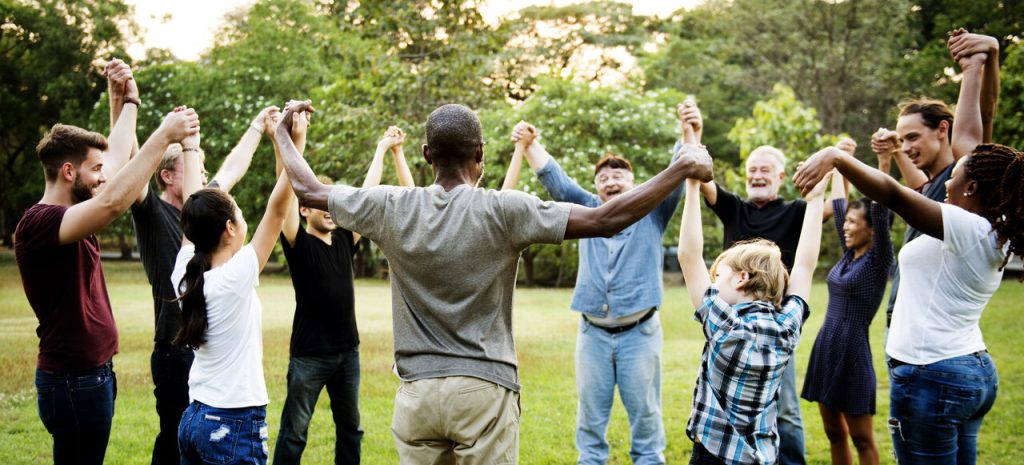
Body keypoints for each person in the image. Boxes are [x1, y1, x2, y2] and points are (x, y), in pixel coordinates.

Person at [273, 101, 713, 464]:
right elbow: (605, 219)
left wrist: (281, 136)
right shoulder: (506, 210)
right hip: (484, 391)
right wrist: (681, 167)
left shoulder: (391, 206)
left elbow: (309, 190)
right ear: (480, 154)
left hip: (417, 395)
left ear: (426, 154)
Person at [794, 138, 1022, 464]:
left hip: (934, 374)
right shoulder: (990, 232)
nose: (946, 184)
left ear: (971, 187)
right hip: (965, 368)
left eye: (953, 176)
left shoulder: (970, 227)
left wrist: (836, 158)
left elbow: (893, 194)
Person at [14, 66, 199, 464]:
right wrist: (164, 135)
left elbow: (115, 162)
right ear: (68, 172)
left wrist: (126, 100)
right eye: (94, 171)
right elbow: (114, 200)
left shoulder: (74, 207)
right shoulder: (40, 222)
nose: (103, 177)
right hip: (72, 381)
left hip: (91, 375)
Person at [103, 59, 281, 465]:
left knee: (191, 440)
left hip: (205, 349)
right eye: (194, 169)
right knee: (172, 441)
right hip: (174, 348)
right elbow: (129, 165)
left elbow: (233, 168)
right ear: (168, 177)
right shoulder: (151, 211)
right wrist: (122, 103)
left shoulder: (199, 218)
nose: (203, 174)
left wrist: (255, 128)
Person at [502, 105, 693, 464]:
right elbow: (554, 178)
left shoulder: (654, 211)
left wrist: (687, 131)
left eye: (619, 174)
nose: (611, 179)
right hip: (593, 336)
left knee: (647, 423)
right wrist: (528, 143)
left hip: (640, 334)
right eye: (603, 176)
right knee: (590, 425)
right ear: (596, 186)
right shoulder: (586, 208)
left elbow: (676, 172)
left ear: (635, 184)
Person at [675, 101, 844, 465]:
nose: (713, 279)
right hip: (761, 456)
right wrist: (815, 199)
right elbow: (805, 264)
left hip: (713, 455)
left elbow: (689, 256)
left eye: (718, 274)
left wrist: (690, 187)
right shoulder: (787, 327)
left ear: (741, 278)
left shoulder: (723, 325)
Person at [272, 120, 414, 464]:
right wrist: (289, 143)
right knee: (294, 431)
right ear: (305, 209)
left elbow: (364, 197)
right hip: (309, 356)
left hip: (347, 353)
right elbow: (285, 195)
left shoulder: (343, 241)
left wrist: (382, 148)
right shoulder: (297, 242)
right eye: (321, 203)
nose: (330, 209)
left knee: (351, 428)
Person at [171, 117, 296, 465]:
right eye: (240, 215)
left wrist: (191, 147)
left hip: (195, 418)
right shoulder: (235, 277)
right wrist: (293, 142)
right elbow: (278, 210)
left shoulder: (185, 272)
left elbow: (191, 202)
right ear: (229, 228)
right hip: (232, 422)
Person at [869, 30, 999, 330]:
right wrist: (893, 152)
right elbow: (914, 188)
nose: (907, 146)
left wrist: (983, 60)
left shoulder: (960, 178)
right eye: (903, 139)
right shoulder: (931, 186)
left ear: (943, 129)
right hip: (902, 324)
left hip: (929, 330)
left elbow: (984, 116)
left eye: (913, 137)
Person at [800, 170, 893, 465]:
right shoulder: (848, 253)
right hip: (827, 345)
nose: (846, 227)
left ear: (873, 229)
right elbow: (840, 205)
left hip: (853, 350)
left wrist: (882, 162)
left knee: (862, 438)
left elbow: (880, 204)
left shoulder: (879, 261)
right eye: (848, 222)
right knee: (833, 432)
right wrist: (837, 167)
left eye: (854, 223)